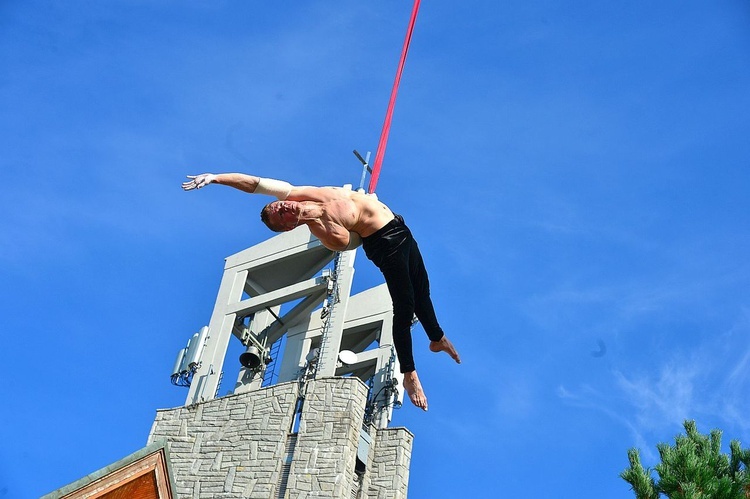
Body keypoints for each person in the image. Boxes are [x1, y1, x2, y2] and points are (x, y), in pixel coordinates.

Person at [182, 172, 460, 411]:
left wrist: (216, 178)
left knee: (423, 290)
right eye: (282, 214)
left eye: (280, 205)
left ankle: (436, 338)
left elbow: (255, 183)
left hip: (400, 228)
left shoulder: (305, 193)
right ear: (289, 226)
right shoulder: (328, 234)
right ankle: (409, 373)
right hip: (385, 244)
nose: (285, 207)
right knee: (405, 303)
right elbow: (354, 242)